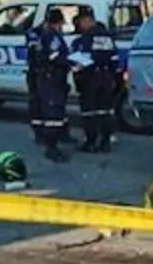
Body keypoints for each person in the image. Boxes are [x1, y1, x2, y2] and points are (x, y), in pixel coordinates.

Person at [70, 11, 118, 152]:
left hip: (90, 78)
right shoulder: (107, 36)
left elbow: (84, 60)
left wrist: (74, 66)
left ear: (87, 20)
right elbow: (114, 58)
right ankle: (105, 142)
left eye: (81, 22)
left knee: (89, 111)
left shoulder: (87, 36)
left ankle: (90, 142)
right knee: (105, 111)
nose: (80, 25)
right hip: (106, 77)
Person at [34, 8, 71, 162]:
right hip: (51, 79)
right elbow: (54, 57)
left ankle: (55, 144)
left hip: (54, 79)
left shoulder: (50, 35)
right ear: (59, 22)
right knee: (52, 114)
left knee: (57, 113)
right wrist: (71, 62)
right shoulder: (51, 37)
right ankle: (51, 148)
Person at [24, 19, 45, 144]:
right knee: (36, 102)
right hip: (36, 73)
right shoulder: (35, 35)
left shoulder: (46, 34)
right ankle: (39, 132)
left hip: (42, 74)